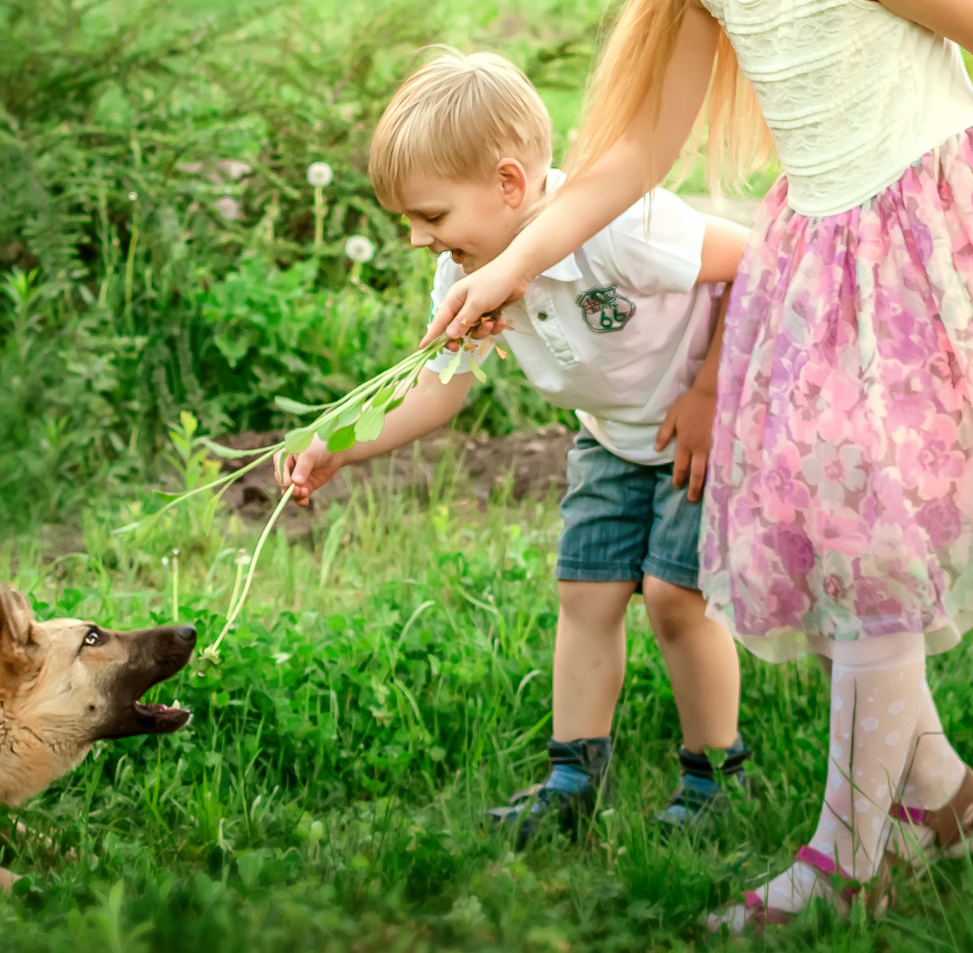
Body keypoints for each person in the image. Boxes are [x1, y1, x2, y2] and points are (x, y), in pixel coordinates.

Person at [422, 0, 973, 928]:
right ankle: (940, 798)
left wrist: (961, 210)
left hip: (919, 248)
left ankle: (850, 852)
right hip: (816, 252)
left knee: (864, 541)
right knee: (837, 531)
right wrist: (505, 262)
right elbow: (630, 154)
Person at [285, 48, 757, 837]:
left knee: (678, 600)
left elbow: (756, 266)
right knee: (586, 593)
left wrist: (711, 391)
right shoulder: (465, 272)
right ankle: (574, 776)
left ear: (509, 185)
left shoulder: (623, 230)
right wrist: (341, 445)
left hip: (702, 429)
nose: (417, 239)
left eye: (431, 217)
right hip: (609, 439)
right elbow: (440, 387)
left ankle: (715, 780)